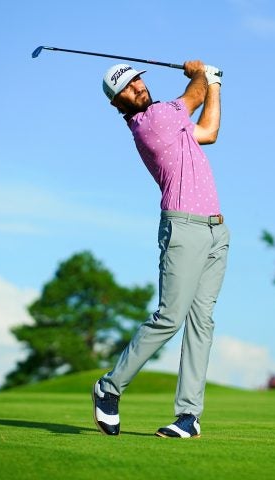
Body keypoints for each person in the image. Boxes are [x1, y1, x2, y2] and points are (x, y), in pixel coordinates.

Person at [92, 60, 229, 439]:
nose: (137, 87)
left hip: (216, 229)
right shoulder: (153, 120)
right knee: (170, 317)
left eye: (137, 80)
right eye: (126, 87)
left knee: (202, 323)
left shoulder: (173, 123)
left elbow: (209, 132)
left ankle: (188, 416)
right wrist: (200, 72)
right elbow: (195, 94)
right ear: (117, 103)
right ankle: (109, 387)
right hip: (184, 227)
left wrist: (215, 83)